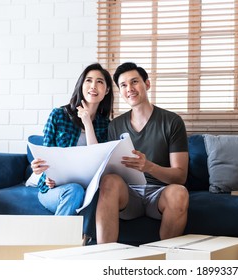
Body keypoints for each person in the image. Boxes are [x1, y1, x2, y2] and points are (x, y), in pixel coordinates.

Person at [95, 62, 189, 244]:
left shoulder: (172, 122)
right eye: (123, 85)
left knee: (180, 192)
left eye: (134, 82)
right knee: (109, 181)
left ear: (147, 84)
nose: (129, 89)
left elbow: (180, 176)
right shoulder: (115, 125)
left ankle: (166, 259)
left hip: (160, 193)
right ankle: (104, 258)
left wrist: (149, 167)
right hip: (129, 195)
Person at [30, 63, 114, 215]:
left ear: (107, 90)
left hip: (89, 188)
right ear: (81, 85)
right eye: (88, 80)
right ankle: (59, 239)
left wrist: (88, 123)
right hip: (55, 188)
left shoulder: (106, 125)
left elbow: (98, 161)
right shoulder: (58, 115)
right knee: (74, 190)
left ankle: (86, 238)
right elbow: (47, 154)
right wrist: (44, 172)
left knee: (100, 194)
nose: (93, 86)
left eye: (100, 82)